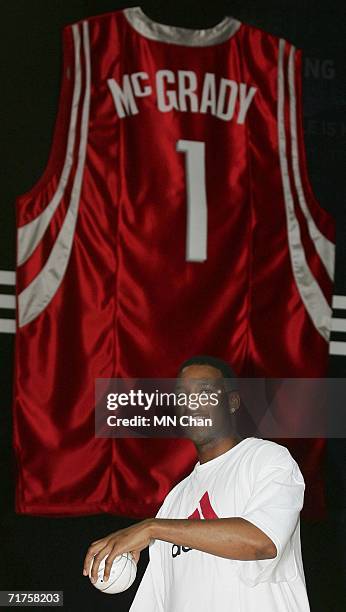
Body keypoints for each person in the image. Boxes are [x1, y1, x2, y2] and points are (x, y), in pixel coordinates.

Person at [83, 356, 310, 611]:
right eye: (183, 396)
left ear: (232, 402)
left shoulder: (266, 459)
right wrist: (154, 529)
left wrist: (152, 528)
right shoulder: (175, 501)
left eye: (205, 392)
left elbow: (262, 542)